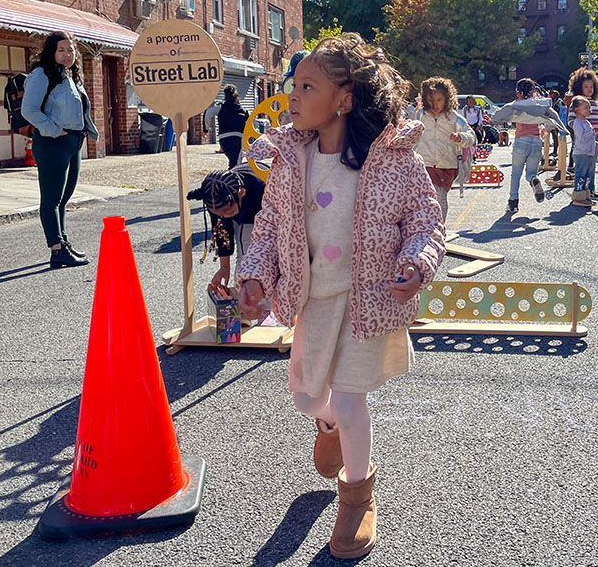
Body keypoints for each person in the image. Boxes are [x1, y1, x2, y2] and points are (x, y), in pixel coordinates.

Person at [233, 33, 444, 559]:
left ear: (344, 98)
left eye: (307, 87)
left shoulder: (394, 161)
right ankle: (327, 422)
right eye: (293, 86)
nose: (294, 97)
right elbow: (269, 227)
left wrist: (417, 263)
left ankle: (357, 493)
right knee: (307, 397)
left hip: (366, 303)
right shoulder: (289, 158)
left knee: (352, 399)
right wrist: (255, 277)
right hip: (313, 302)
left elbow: (425, 221)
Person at [21, 31, 98, 268]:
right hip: (53, 141)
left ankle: (63, 242)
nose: (67, 54)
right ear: (51, 51)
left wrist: (84, 131)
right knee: (51, 199)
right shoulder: (41, 75)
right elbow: (29, 110)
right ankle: (56, 249)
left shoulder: (71, 76)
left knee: (64, 198)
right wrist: (55, 130)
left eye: (71, 50)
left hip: (72, 141)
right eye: (61, 50)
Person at [187, 167, 266, 297]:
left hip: (263, 210)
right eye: (220, 214)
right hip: (244, 213)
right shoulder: (214, 198)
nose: (226, 217)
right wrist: (224, 267)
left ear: (241, 192)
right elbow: (222, 232)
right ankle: (250, 299)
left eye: (228, 212)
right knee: (244, 259)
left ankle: (267, 303)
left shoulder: (262, 189)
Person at [415, 76, 476, 219]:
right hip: (426, 163)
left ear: (447, 99)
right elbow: (413, 133)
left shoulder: (453, 117)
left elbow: (471, 135)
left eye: (439, 100)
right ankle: (432, 226)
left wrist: (460, 138)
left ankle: (439, 227)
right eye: (431, 100)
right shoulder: (421, 115)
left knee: (441, 197)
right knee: (432, 195)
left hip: (447, 165)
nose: (435, 104)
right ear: (425, 99)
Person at [507, 78, 547, 213]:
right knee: (531, 172)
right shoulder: (536, 105)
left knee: (516, 174)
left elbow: (506, 117)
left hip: (521, 140)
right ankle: (533, 179)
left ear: (518, 92)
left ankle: (513, 202)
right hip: (536, 141)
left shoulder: (516, 104)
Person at [567, 67, 598, 197]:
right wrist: (578, 127)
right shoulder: (576, 103)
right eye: (586, 86)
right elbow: (570, 120)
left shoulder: (596, 104)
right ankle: (580, 191)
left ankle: (590, 190)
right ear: (579, 88)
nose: (589, 89)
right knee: (582, 165)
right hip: (581, 138)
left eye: (591, 86)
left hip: (595, 137)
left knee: (592, 166)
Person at [569, 96, 597, 206]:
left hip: (589, 153)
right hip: (581, 154)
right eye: (585, 107)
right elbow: (582, 138)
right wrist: (592, 134)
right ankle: (578, 196)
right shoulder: (577, 123)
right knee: (580, 175)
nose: (588, 110)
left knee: (588, 175)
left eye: (589, 107)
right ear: (576, 109)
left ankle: (586, 195)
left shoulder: (587, 122)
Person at [215, 84, 249, 168]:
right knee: (236, 163)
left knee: (232, 161)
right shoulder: (243, 110)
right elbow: (254, 124)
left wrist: (206, 128)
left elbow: (208, 113)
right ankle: (234, 178)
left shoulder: (221, 107)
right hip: (238, 137)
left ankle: (231, 176)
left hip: (223, 138)